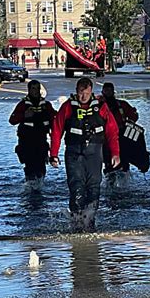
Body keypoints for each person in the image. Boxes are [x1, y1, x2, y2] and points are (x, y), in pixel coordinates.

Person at [49, 77, 120, 231]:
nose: (83, 97)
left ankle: (90, 222)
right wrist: (53, 154)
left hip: (94, 152)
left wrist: (115, 153)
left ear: (91, 92)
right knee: (76, 186)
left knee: (94, 187)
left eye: (86, 94)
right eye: (81, 93)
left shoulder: (101, 107)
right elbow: (56, 129)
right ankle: (77, 224)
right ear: (76, 91)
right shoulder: (68, 107)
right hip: (74, 153)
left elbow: (112, 131)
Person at [9, 80, 57, 185]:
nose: (36, 91)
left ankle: (40, 184)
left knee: (41, 166)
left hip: (41, 140)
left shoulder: (46, 105)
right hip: (27, 141)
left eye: (37, 89)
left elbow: (56, 119)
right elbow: (12, 120)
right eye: (33, 89)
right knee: (30, 165)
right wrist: (24, 116)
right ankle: (30, 185)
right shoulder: (23, 105)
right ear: (29, 90)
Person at [99, 82, 139, 174]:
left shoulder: (122, 105)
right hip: (106, 138)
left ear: (113, 92)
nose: (108, 93)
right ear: (102, 92)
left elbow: (134, 117)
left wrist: (132, 119)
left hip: (121, 135)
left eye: (109, 90)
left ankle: (122, 181)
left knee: (124, 161)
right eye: (106, 90)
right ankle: (113, 181)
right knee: (109, 162)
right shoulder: (98, 106)